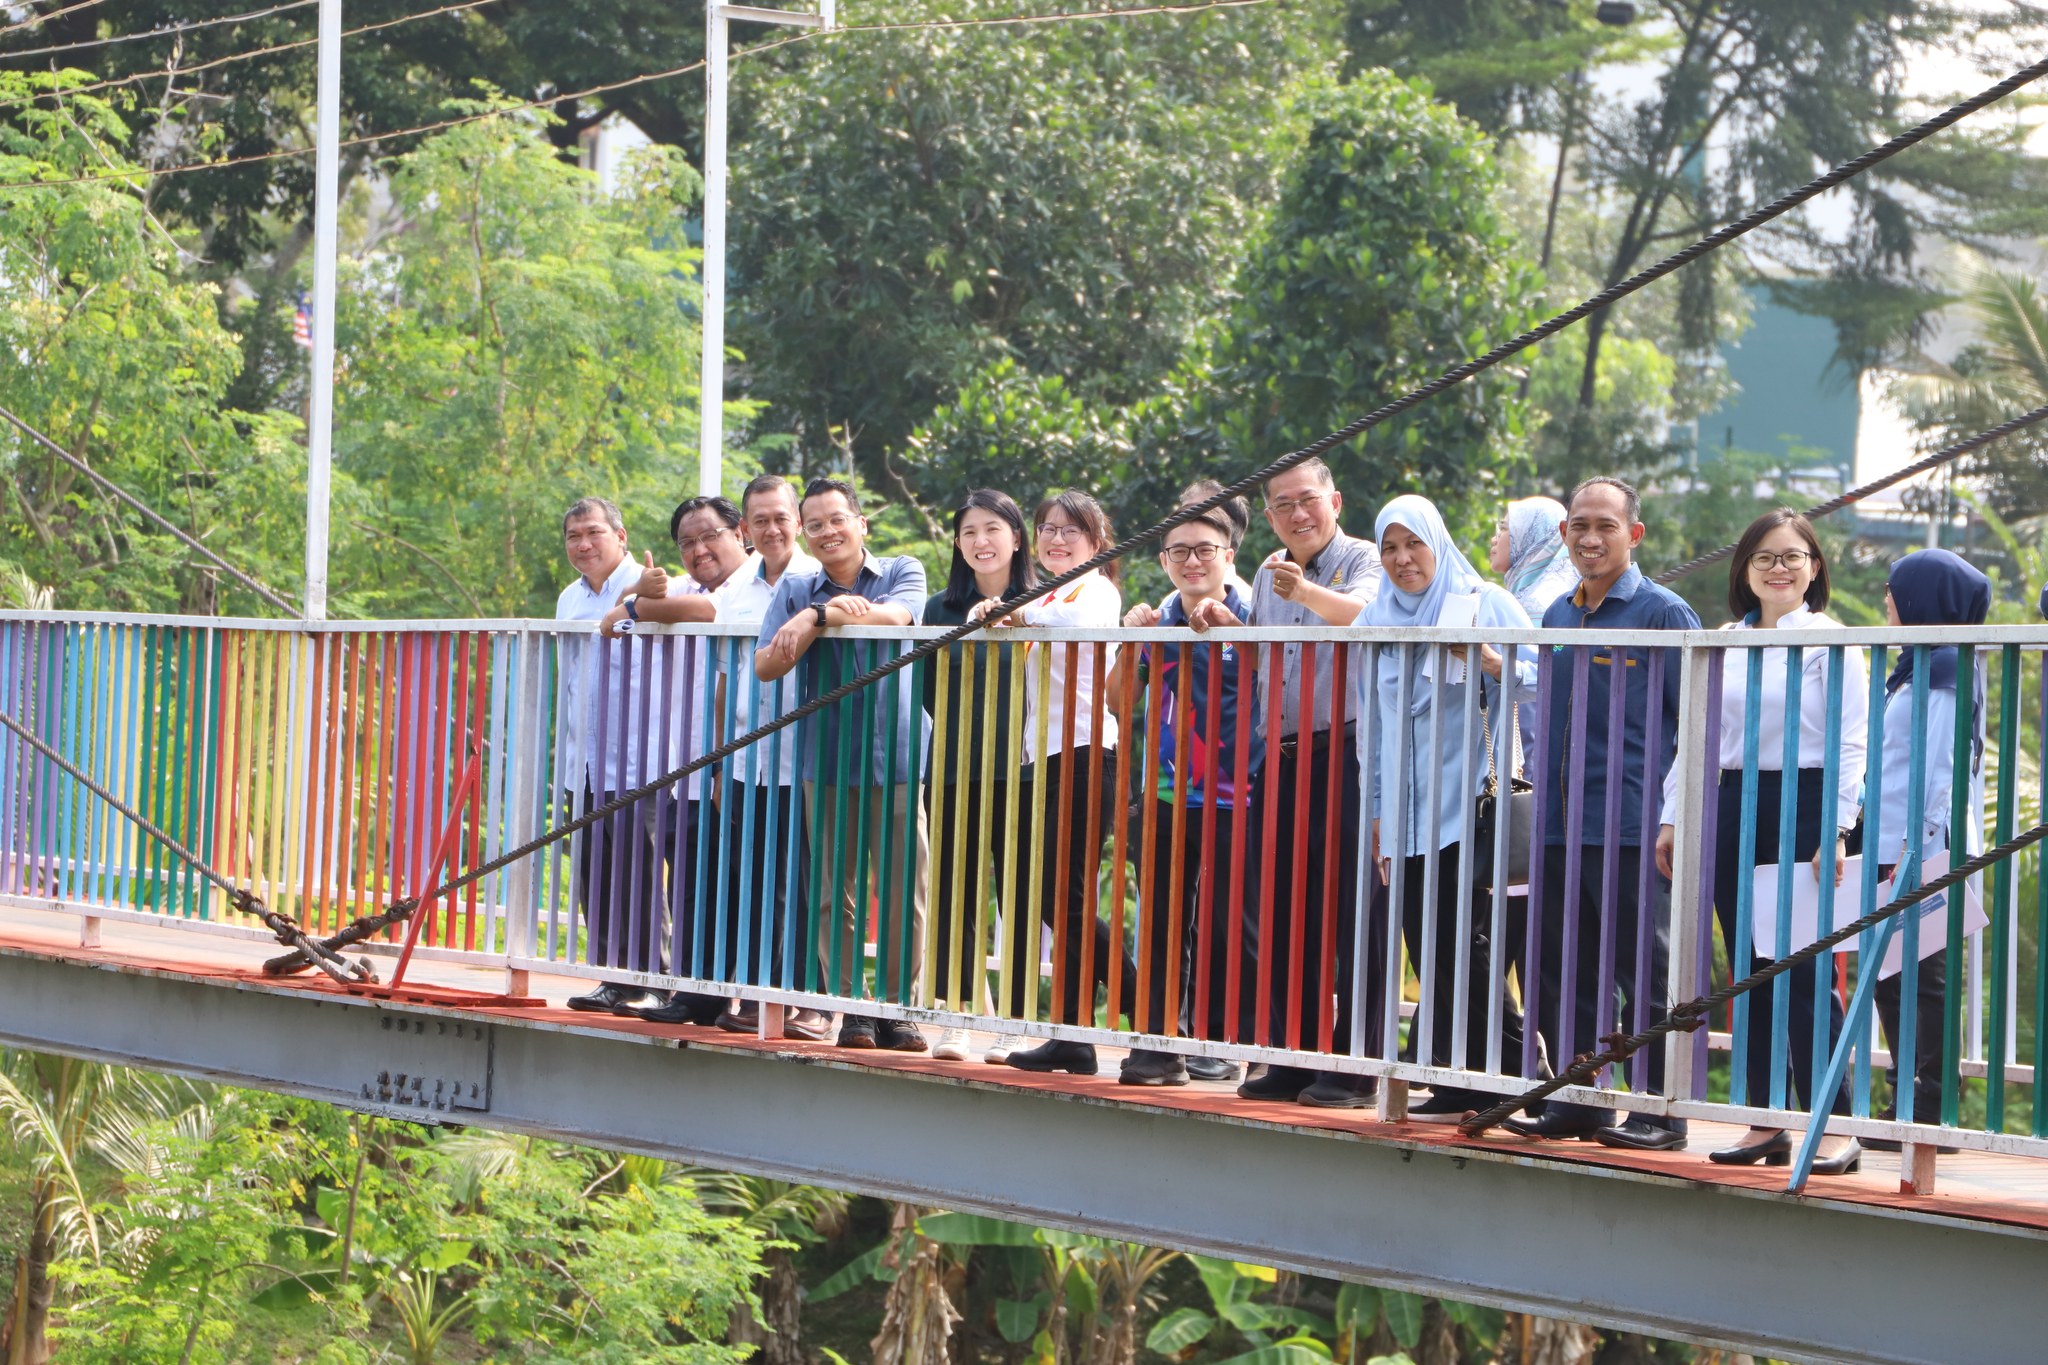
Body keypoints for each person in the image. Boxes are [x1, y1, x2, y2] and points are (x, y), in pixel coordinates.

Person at [1653, 508, 1867, 1174]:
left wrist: (1836, 827)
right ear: (1744, 569)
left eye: (1792, 556)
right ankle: (1764, 1119)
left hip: (1804, 805)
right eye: (1764, 557)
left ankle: (1834, 1122)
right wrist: (1673, 815)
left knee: (1804, 967)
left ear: (1814, 567)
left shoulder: (1830, 639)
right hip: (1732, 803)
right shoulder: (1726, 640)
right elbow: (1698, 734)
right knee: (1748, 968)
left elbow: (1852, 741)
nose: (1779, 568)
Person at [1504, 478, 1695, 1151]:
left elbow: (1698, 723)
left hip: (1635, 823)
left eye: (1605, 526)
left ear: (1633, 534)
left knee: (1645, 969)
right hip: (1559, 821)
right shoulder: (1558, 615)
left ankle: (1659, 1109)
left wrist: (1675, 816)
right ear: (1563, 535)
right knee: (1564, 967)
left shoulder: (1663, 613)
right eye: (1579, 526)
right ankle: (1580, 1099)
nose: (1590, 538)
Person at [1190, 456, 1383, 1108]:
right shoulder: (1272, 572)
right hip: (1281, 755)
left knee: (1355, 913)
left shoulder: (1364, 559)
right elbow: (1268, 658)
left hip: (1351, 752)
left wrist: (1301, 592)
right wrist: (1233, 630)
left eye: (1308, 500)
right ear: (1269, 516)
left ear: (1335, 500)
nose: (1298, 514)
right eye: (1283, 505)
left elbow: (1364, 617)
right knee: (1283, 910)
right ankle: (1291, 1054)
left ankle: (1354, 1068)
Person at [1360, 495, 1533, 1120]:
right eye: (1389, 547)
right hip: (1405, 816)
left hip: (1468, 806)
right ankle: (1465, 1077)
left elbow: (1544, 677)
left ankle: (1512, 1069)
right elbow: (1374, 726)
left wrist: (1489, 659)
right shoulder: (1378, 617)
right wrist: (1377, 808)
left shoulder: (1484, 602)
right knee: (1425, 943)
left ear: (1438, 543)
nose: (1403, 559)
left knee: (1466, 942)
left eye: (1414, 544)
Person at [755, 478, 930, 1052]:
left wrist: (817, 616)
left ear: (861, 523)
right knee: (835, 893)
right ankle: (852, 1007)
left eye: (837, 519)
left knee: (904, 890)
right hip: (826, 757)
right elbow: (765, 666)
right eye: (815, 524)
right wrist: (810, 615)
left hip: (899, 753)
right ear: (805, 533)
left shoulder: (901, 570)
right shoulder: (795, 586)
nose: (827, 531)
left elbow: (898, 618)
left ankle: (898, 1011)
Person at [1108, 507, 1261, 1086]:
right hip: (1168, 795)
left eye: (1204, 549)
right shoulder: (1159, 619)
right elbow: (1119, 702)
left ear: (1228, 555)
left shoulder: (1255, 613)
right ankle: (1156, 1046)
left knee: (1227, 924)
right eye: (1179, 551)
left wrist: (1236, 633)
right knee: (1160, 922)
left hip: (1240, 794)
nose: (1192, 561)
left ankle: (1218, 1043)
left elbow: (1279, 683)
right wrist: (1131, 643)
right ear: (1163, 560)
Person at [602, 495, 757, 1027]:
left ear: (740, 534)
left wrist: (637, 606)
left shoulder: (754, 584)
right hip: (685, 765)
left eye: (710, 535)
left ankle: (751, 997)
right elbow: (610, 625)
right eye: (687, 542)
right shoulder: (685, 588)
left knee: (746, 882)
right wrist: (635, 593)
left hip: (746, 765)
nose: (699, 549)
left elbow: (708, 614)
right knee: (693, 882)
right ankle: (694, 993)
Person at [1000, 491, 1137, 1077]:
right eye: (1047, 529)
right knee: (1049, 894)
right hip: (1052, 759)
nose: (1056, 539)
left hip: (1088, 753)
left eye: (1070, 530)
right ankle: (1072, 1036)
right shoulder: (1050, 593)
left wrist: (1016, 613)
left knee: (1062, 896)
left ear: (1096, 541)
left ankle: (1143, 1001)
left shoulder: (1095, 589)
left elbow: (1082, 625)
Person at [555, 495, 707, 1014]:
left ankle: (658, 978)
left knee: (642, 871)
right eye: (574, 536)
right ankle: (614, 977)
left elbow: (701, 609)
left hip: (643, 756)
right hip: (585, 757)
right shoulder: (569, 598)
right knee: (595, 872)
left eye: (594, 532)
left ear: (620, 536)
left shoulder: (655, 584)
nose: (583, 544)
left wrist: (644, 594)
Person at [1862, 548, 1989, 1152]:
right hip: (1898, 840)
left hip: (1922, 844)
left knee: (1922, 975)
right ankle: (1909, 1100)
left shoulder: (1943, 666)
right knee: (1894, 973)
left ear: (1924, 596)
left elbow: (1940, 767)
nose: (1888, 599)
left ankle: (1932, 1108)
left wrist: (1915, 846)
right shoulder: (1920, 663)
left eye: (1896, 588)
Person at [711, 474, 831, 1042]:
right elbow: (723, 681)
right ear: (745, 528)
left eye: (781, 517)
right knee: (757, 884)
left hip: (799, 759)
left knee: (806, 885)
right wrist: (718, 764)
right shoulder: (736, 592)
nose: (772, 528)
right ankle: (762, 995)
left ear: (798, 522)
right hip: (745, 761)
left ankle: (810, 1002)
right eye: (759, 520)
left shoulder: (818, 581)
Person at [921, 490, 1038, 1062]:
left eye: (993, 528)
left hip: (1024, 772)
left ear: (1016, 537)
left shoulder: (1043, 601)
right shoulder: (940, 608)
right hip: (953, 768)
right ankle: (955, 1018)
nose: (981, 541)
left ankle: (1015, 1020)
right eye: (969, 532)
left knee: (1017, 895)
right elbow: (928, 691)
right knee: (955, 894)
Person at [1489, 496, 1578, 622]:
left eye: (1503, 529)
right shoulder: (1566, 592)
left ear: (1531, 535)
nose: (1493, 540)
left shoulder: (1536, 603)